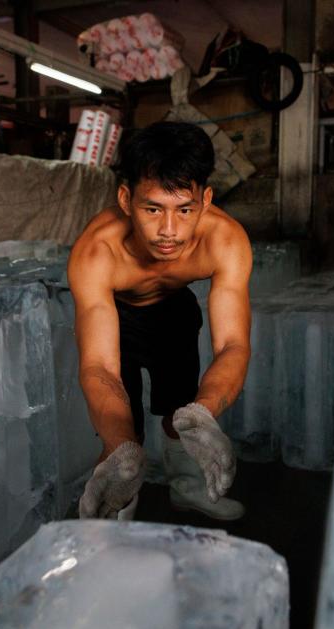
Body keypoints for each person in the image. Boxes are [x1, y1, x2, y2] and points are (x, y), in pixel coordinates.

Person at [68, 121, 252, 521]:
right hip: (119, 316)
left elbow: (233, 345)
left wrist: (204, 412)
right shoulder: (97, 252)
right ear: (125, 198)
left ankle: (186, 488)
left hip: (173, 311)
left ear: (205, 199)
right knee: (123, 427)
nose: (168, 231)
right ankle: (120, 504)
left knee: (182, 410)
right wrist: (121, 446)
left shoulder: (225, 240)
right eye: (152, 209)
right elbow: (99, 365)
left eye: (184, 210)